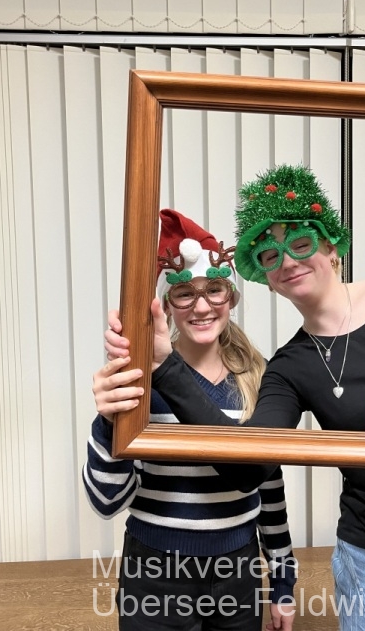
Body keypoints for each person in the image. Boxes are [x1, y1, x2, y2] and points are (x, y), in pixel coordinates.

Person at [106, 165, 365, 630]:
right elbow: (248, 468)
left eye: (301, 243)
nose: (288, 260)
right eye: (271, 255)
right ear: (266, 278)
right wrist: (165, 366)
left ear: (331, 247)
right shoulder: (287, 368)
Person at [83, 208, 297, 631]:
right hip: (154, 572)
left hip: (238, 573)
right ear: (165, 306)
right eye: (184, 293)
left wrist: (283, 580)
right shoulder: (139, 380)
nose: (202, 307)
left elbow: (269, 486)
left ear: (231, 299)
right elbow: (106, 502)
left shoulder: (259, 378)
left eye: (215, 290)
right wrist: (107, 422)